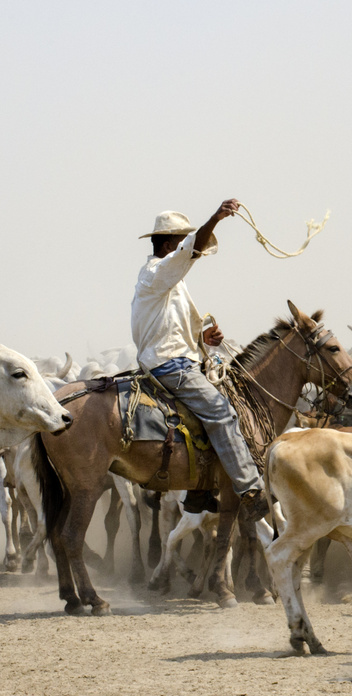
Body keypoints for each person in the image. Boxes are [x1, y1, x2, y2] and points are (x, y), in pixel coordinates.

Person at [131, 198, 269, 522]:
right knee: (223, 414)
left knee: (212, 409)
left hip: (177, 356)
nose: (188, 253)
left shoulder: (167, 283)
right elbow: (187, 253)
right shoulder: (156, 273)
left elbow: (167, 328)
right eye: (180, 244)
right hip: (169, 363)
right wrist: (216, 218)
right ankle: (251, 490)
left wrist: (202, 340)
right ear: (168, 244)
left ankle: (200, 490)